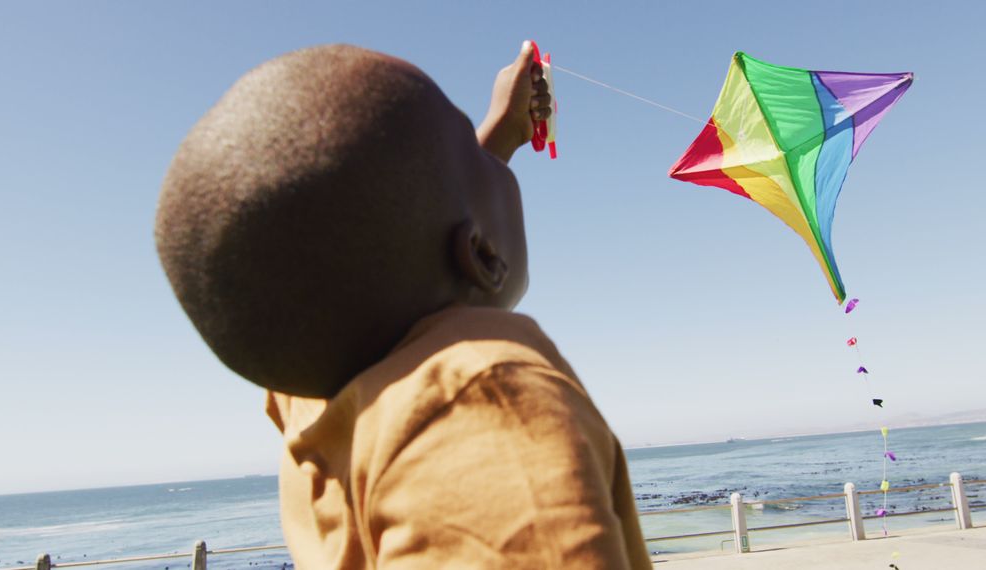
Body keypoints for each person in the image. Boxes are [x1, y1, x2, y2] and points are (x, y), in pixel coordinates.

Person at [155, 41, 652, 569]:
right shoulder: (481, 405)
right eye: (471, 148)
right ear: (481, 254)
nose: (486, 154)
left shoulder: (315, 398)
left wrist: (491, 145)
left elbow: (340, 250)